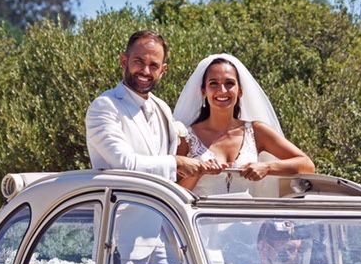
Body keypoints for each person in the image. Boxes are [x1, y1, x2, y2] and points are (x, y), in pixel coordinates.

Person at [172, 54, 314, 197]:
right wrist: (198, 173)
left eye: (229, 83)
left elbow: (306, 164)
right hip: (199, 217)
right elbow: (174, 192)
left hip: (247, 217)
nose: (222, 90)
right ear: (204, 92)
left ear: (240, 91)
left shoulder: (257, 131)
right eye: (213, 83)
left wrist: (267, 167)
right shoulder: (186, 137)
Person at [85, 30, 215, 182]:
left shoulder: (162, 107)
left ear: (162, 71)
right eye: (138, 62)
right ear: (124, 61)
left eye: (153, 65)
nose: (145, 71)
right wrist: (177, 163)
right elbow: (124, 164)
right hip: (120, 204)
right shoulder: (104, 106)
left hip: (159, 204)